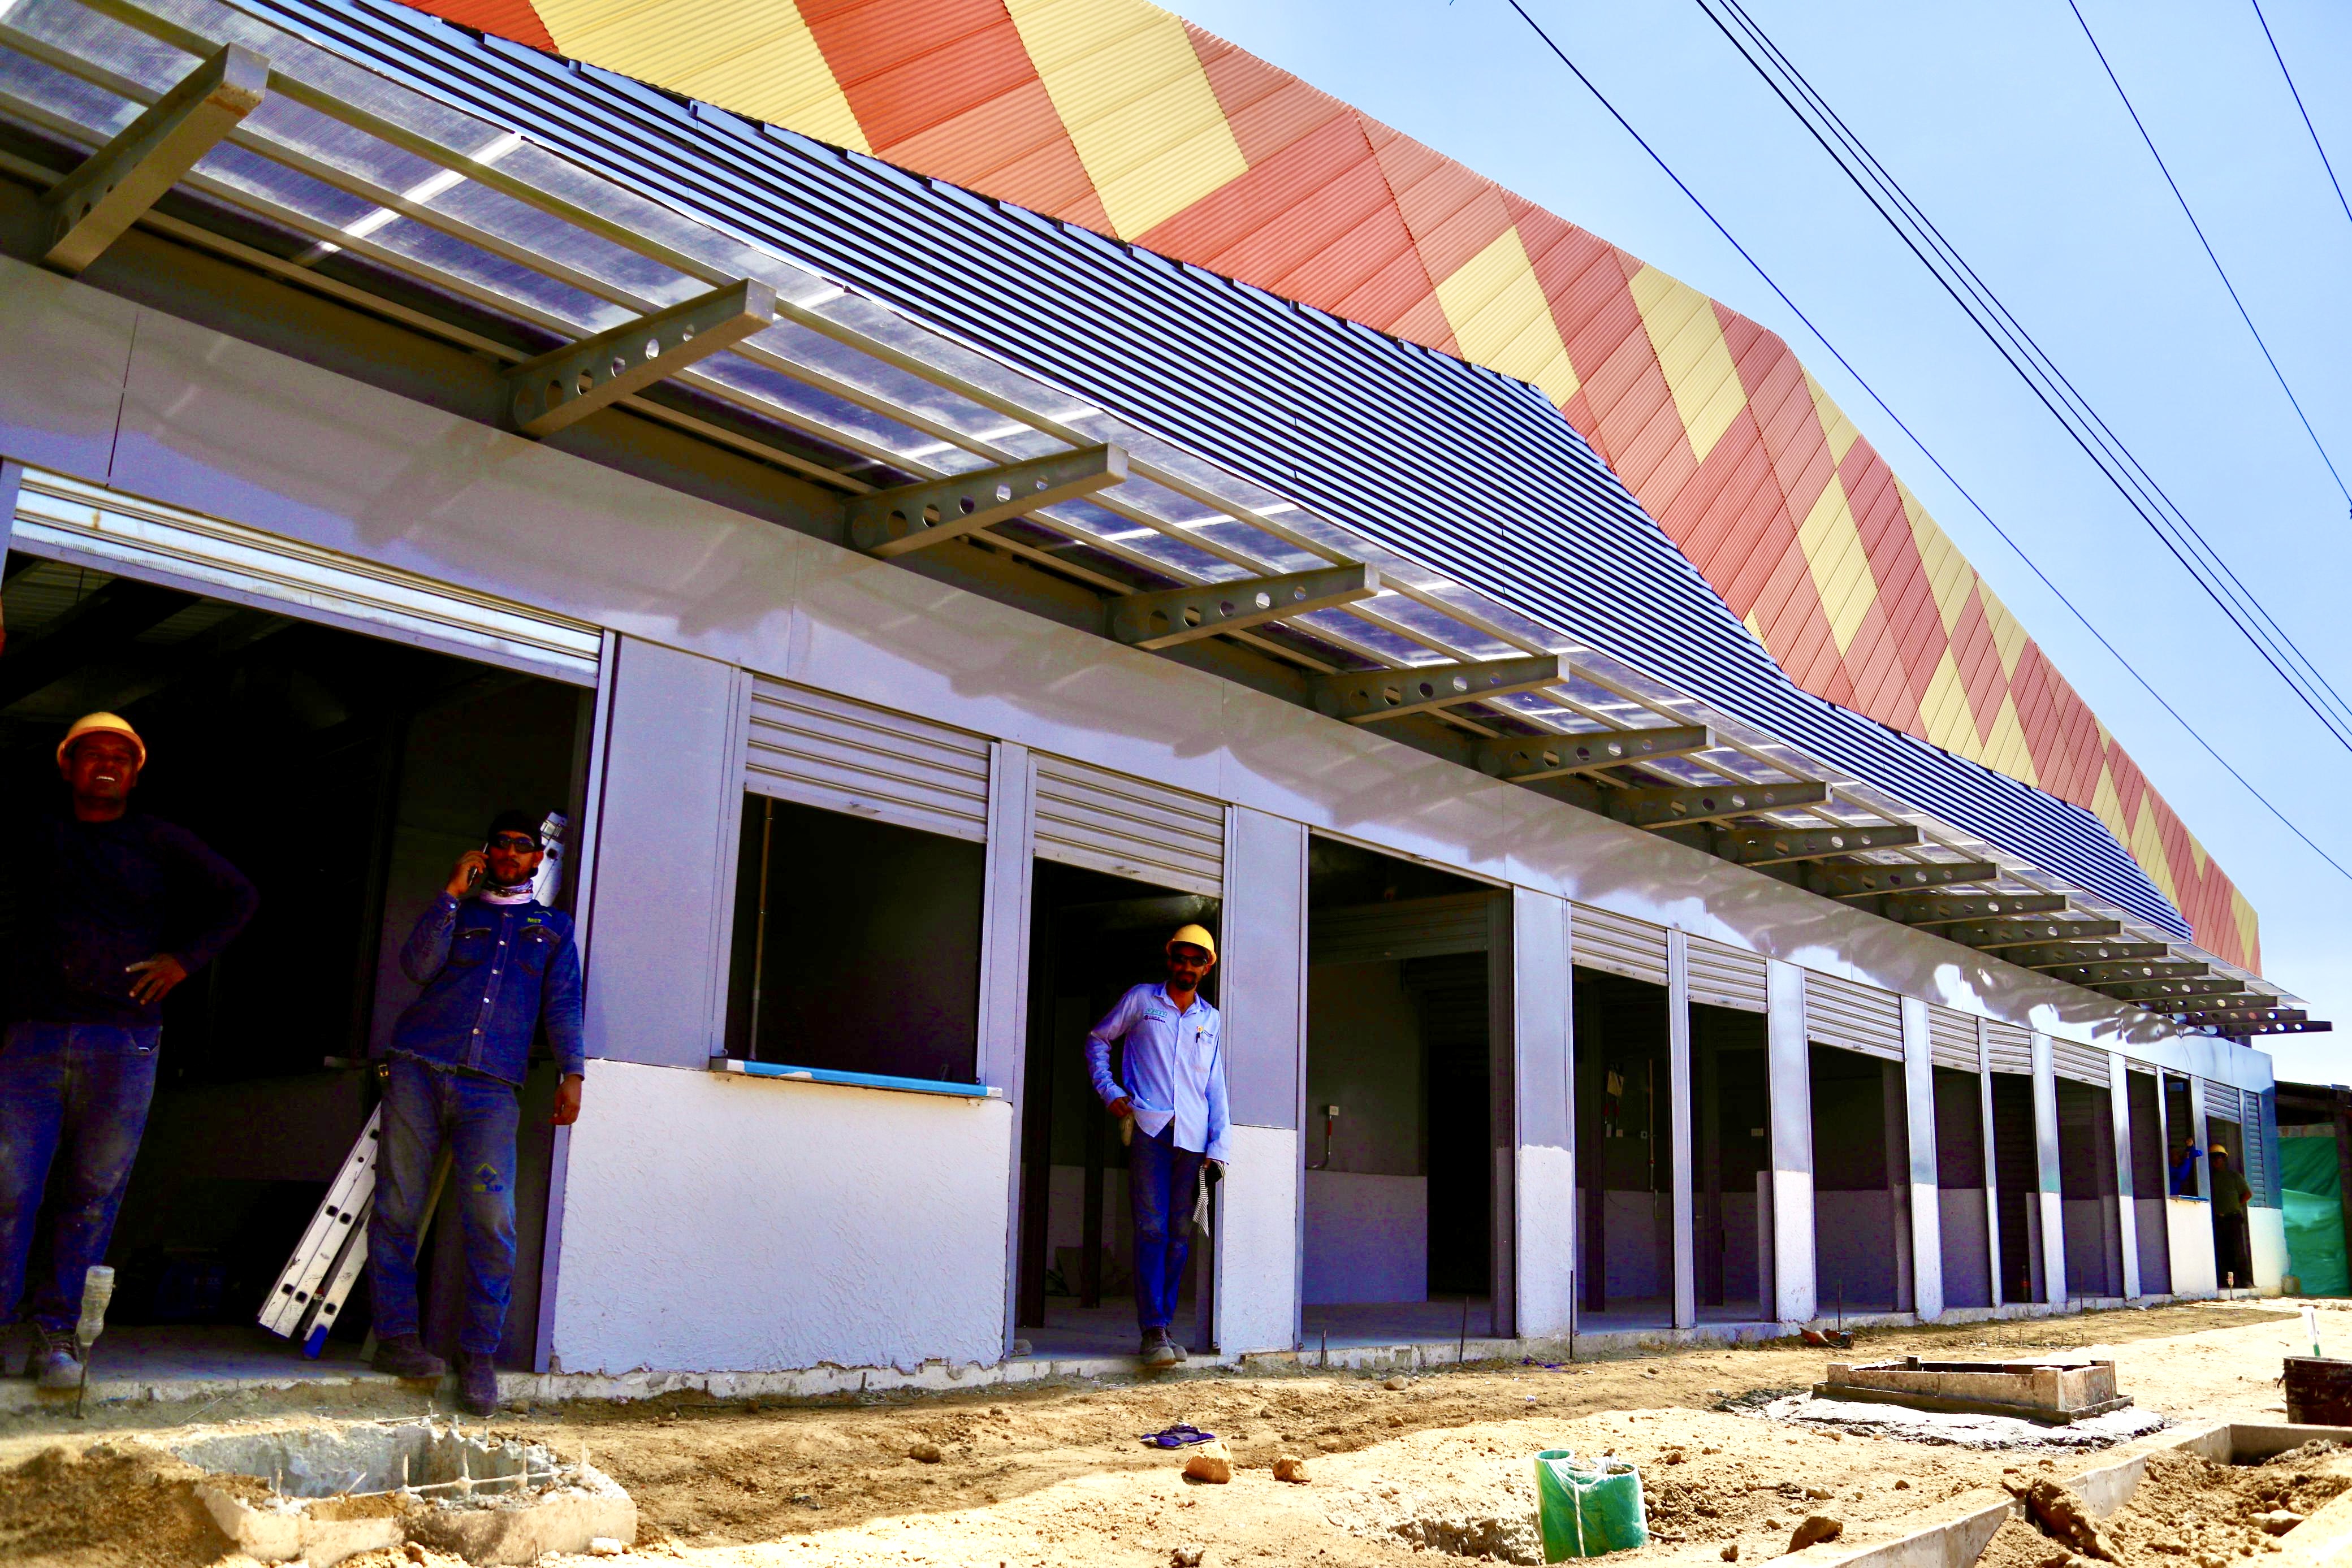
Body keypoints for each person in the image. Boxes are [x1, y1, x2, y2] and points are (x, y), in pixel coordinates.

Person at [0, 713, 257, 1388]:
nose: (106, 764)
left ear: (136, 773)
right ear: (66, 766)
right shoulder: (36, 832)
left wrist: (184, 959)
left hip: (125, 1041)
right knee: (9, 1186)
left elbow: (239, 897)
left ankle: (58, 1336)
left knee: (91, 1193)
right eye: (92, 755)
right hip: (33, 1035)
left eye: (121, 756)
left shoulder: (158, 839)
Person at [367, 811, 584, 1414]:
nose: (513, 854)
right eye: (502, 845)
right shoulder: (458, 912)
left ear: (538, 859)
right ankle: (398, 1339)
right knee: (397, 1206)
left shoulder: (552, 928)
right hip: (417, 1066)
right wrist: (448, 893)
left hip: (492, 1088)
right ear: (485, 853)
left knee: (492, 1220)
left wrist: (574, 1072)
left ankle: (478, 1355)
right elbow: (416, 966)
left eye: (523, 846)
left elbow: (563, 1001)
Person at [1086, 924, 1226, 1368]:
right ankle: (1152, 1332)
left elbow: (1215, 1085)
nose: (1187, 966)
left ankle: (1164, 1325)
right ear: (1170, 959)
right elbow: (1098, 1040)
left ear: (1208, 966)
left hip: (1194, 1138)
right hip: (1150, 1131)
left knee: (1181, 1234)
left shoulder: (1210, 1018)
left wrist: (1219, 1145)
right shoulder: (1143, 1001)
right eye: (1180, 958)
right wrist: (1111, 1093)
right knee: (1150, 1229)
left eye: (1196, 960)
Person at [2211, 1143, 2253, 1288]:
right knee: (2222, 1251)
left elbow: (2247, 1194)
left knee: (2238, 1250)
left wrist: (2235, 1206)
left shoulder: (2234, 1176)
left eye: (2219, 1157)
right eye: (2213, 1158)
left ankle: (2246, 1280)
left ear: (2224, 1159)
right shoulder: (2209, 1179)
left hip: (2233, 1218)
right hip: (2218, 1219)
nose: (2216, 1161)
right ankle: (2227, 1282)